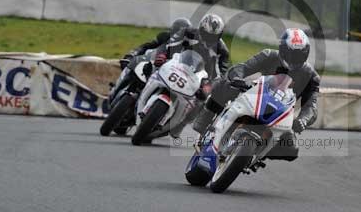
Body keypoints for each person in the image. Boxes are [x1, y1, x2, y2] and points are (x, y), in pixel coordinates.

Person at [192, 28, 320, 162]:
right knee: (223, 84)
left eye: (299, 56)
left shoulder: (311, 76)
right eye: (291, 54)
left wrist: (303, 120)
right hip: (258, 96)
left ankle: (257, 156)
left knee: (291, 150)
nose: (294, 59)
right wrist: (237, 78)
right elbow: (243, 67)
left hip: (282, 113)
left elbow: (311, 105)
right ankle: (204, 124)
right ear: (282, 49)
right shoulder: (269, 55)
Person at [155, 13, 229, 80]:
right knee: (151, 69)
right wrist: (162, 55)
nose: (209, 40)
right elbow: (168, 44)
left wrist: (211, 84)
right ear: (200, 30)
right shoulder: (188, 33)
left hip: (198, 81)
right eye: (207, 35)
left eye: (214, 37)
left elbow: (220, 76)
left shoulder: (222, 51)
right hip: (176, 68)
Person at [121, 17, 192, 68]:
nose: (178, 35)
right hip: (152, 65)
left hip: (170, 73)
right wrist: (131, 55)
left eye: (183, 33)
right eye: (177, 32)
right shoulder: (164, 36)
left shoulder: (188, 47)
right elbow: (146, 46)